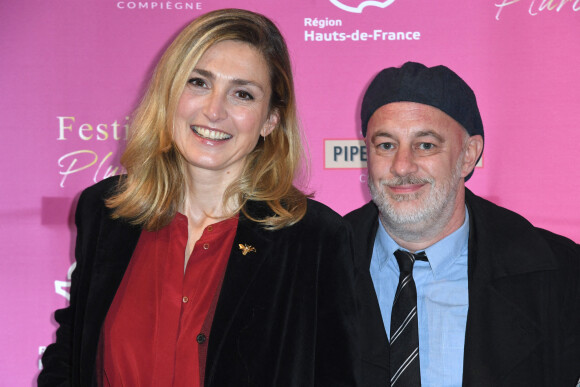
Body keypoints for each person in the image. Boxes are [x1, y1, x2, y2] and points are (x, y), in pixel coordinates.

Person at [39, 9, 359, 387]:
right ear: (169, 93)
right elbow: (71, 358)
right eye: (198, 83)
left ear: (270, 119)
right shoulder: (105, 212)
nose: (214, 110)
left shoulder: (314, 238)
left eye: (242, 94)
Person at [345, 61, 580, 386]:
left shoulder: (562, 276)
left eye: (425, 145)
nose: (401, 166)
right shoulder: (310, 268)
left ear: (468, 155)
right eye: (386, 145)